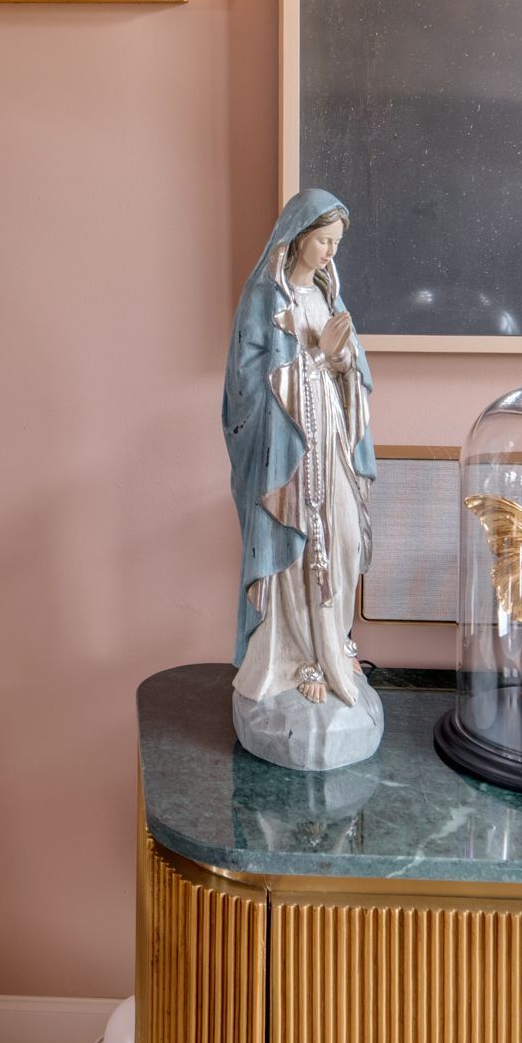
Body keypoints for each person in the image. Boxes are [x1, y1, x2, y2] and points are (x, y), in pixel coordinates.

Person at [222, 189, 376, 712]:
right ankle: (301, 657)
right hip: (288, 451)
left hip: (330, 439)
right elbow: (247, 384)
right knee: (301, 540)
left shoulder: (329, 298)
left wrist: (342, 362)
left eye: (337, 243)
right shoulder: (265, 298)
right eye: (324, 241)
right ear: (299, 236)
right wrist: (317, 357)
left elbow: (353, 371)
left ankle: (335, 642)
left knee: (344, 537)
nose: (331, 252)